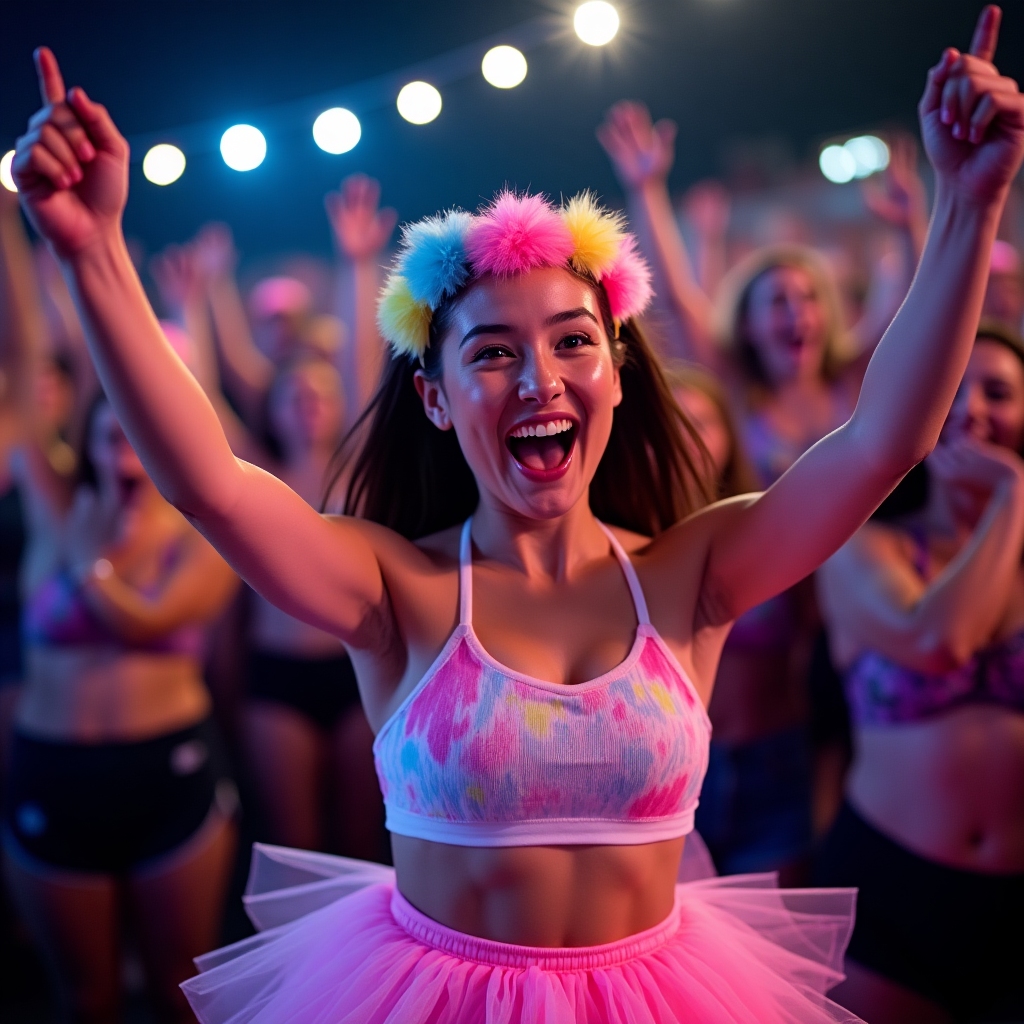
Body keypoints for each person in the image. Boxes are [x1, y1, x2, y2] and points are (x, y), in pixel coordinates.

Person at [11, 9, 1022, 1020]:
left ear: (618, 373)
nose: (538, 378)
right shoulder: (391, 590)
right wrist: (95, 253)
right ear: (437, 398)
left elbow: (881, 442)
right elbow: (211, 484)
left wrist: (969, 204)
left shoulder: (691, 575)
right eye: (492, 352)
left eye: (572, 341)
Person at [1, 393, 240, 1024]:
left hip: (166, 770)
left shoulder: (200, 525)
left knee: (178, 990)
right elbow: (24, 379)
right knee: (84, 1001)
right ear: (91, 447)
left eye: (139, 435)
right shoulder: (60, 517)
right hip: (52, 770)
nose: (124, 452)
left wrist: (90, 569)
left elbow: (156, 620)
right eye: (111, 437)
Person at [814, 321, 1024, 1023]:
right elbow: (940, 639)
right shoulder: (861, 545)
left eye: (999, 391)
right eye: (953, 389)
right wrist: (1011, 499)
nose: (974, 408)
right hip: (893, 891)